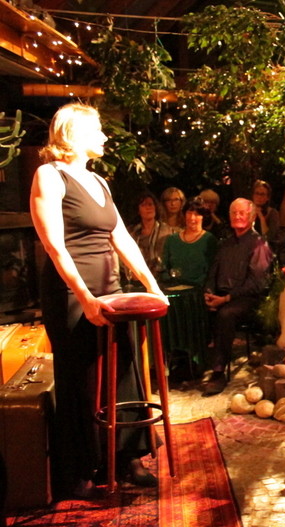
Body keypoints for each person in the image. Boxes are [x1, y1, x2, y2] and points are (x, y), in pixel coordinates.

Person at [30, 103, 168, 499]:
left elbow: (121, 237)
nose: (105, 137)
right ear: (74, 134)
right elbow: (54, 246)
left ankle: (127, 457)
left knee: (124, 371)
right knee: (81, 380)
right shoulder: (49, 175)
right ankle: (81, 468)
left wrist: (151, 284)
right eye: (98, 130)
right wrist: (85, 297)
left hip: (110, 287)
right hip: (71, 293)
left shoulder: (98, 181)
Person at [203, 198, 272, 396]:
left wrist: (227, 298)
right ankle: (194, 363)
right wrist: (209, 292)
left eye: (242, 213)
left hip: (247, 298)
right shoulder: (225, 243)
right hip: (221, 295)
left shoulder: (258, 244)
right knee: (195, 307)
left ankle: (218, 372)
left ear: (252, 217)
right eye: (234, 212)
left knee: (226, 314)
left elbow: (256, 283)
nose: (237, 216)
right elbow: (213, 272)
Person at [161, 197, 218, 287]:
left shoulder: (209, 240)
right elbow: (163, 267)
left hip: (199, 290)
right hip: (174, 288)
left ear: (203, 217)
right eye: (189, 213)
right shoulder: (172, 240)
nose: (192, 218)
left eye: (196, 214)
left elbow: (212, 272)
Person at [127, 191, 171, 275]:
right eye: (143, 205)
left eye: (150, 204)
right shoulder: (132, 231)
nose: (148, 208)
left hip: (161, 274)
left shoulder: (166, 230)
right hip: (137, 274)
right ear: (138, 210)